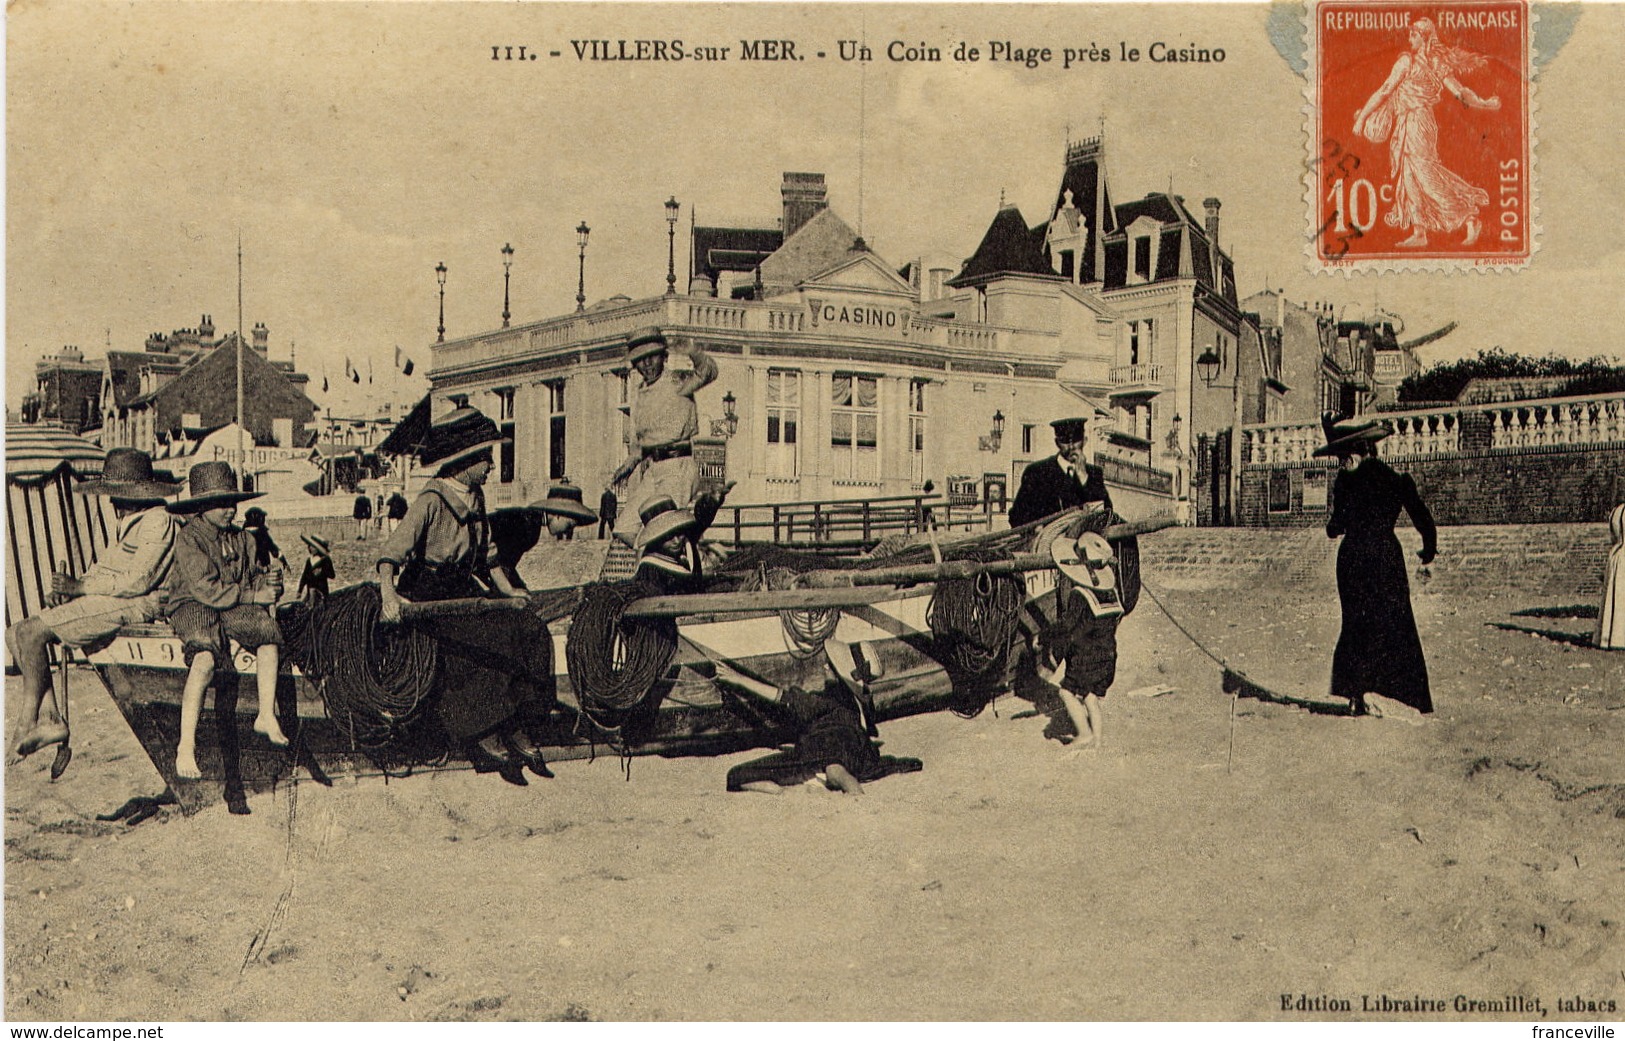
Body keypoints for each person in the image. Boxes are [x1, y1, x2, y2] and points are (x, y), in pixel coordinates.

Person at [376, 406, 557, 784]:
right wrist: (389, 597)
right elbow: (391, 554)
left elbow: (490, 559)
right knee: (479, 643)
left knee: (526, 629)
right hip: (428, 590)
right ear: (465, 461)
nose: (492, 466)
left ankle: (518, 722)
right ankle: (482, 730)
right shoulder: (431, 500)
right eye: (486, 458)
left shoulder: (476, 498)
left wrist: (511, 593)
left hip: (463, 587)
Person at [5, 449, 180, 764]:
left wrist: (81, 588)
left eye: (115, 494)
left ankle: (26, 721)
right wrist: (73, 590)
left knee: (31, 633)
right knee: (14, 633)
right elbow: (106, 571)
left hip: (139, 604)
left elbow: (139, 580)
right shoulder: (130, 520)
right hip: (112, 600)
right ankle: (51, 716)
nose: (111, 501)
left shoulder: (158, 520)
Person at [166, 462, 286, 780]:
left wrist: (270, 584)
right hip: (193, 604)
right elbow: (205, 588)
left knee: (267, 635)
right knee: (204, 658)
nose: (229, 510)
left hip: (231, 601)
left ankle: (265, 713)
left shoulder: (244, 540)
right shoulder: (189, 539)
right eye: (221, 504)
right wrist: (252, 596)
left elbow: (252, 578)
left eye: (232, 503)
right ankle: (186, 745)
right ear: (201, 507)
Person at [1317, 413, 1438, 720]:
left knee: (1356, 624)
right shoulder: (1396, 479)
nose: (1342, 463)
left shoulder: (1348, 482)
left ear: (1361, 452)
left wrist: (1333, 526)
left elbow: (1336, 525)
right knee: (1394, 623)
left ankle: (1357, 695)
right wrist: (1428, 548)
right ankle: (1396, 693)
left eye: (1345, 456)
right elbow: (1422, 517)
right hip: (1387, 557)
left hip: (1355, 558)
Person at [1009, 417, 1116, 750]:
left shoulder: (1093, 475)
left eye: (1076, 443)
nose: (1071, 450)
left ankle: (1076, 672)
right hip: (1047, 557)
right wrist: (1042, 531)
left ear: (1083, 442)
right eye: (1065, 444)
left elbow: (1106, 513)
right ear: (1057, 444)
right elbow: (1017, 517)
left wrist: (1084, 478)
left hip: (1080, 562)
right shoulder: (1037, 474)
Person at [1352, 17, 1500, 249]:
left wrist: (1362, 118)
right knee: (1409, 177)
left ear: (1425, 37)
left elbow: (1385, 91)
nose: (1410, 38)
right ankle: (1419, 231)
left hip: (1418, 122)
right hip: (1408, 122)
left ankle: (1469, 216)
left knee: (1425, 175)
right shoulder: (1426, 63)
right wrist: (1486, 103)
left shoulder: (1414, 63)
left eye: (1414, 34)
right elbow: (1388, 92)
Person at [608, 326, 717, 538]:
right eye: (641, 359)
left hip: (678, 468)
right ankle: (672, 558)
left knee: (664, 529)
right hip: (654, 469)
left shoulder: (677, 382)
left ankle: (685, 564)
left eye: (653, 357)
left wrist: (692, 351)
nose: (647, 364)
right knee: (624, 528)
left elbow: (708, 372)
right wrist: (628, 466)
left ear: (663, 357)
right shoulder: (641, 392)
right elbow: (642, 443)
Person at [487, 481, 599, 591]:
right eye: (569, 525)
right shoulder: (530, 528)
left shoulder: (529, 519)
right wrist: (515, 590)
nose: (567, 532)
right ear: (558, 514)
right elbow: (502, 565)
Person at [1595, 503, 1624, 650]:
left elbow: (1614, 537)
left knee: (1615, 598)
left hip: (1616, 557)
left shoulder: (1616, 511)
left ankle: (1609, 637)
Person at [241, 507, 289, 575]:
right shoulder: (262, 534)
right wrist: (284, 562)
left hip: (246, 572)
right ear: (259, 518)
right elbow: (274, 550)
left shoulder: (241, 534)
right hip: (263, 570)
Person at [296, 534, 335, 604]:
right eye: (310, 546)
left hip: (322, 591)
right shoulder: (309, 560)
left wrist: (322, 572)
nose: (311, 548)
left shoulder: (325, 560)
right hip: (310, 591)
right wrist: (300, 590)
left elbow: (332, 575)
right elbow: (304, 576)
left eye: (313, 547)